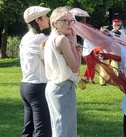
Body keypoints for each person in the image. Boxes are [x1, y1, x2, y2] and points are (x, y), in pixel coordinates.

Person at [42, 7, 81, 137]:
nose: (70, 25)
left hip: (54, 86)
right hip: (62, 87)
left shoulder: (51, 38)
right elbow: (75, 67)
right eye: (65, 21)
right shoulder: (62, 40)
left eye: (72, 21)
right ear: (55, 23)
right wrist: (74, 44)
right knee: (63, 130)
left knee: (60, 127)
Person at [19, 6, 52, 137]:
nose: (48, 19)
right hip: (38, 87)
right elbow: (49, 63)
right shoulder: (39, 39)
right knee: (42, 131)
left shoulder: (26, 37)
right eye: (45, 16)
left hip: (26, 86)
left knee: (28, 130)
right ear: (38, 20)